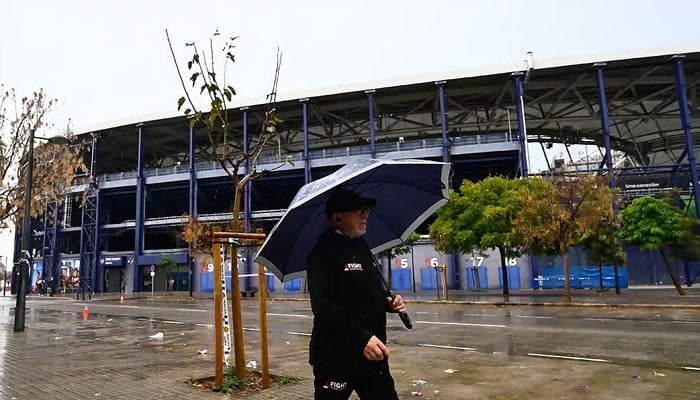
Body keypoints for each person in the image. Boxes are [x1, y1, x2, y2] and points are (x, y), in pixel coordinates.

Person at [306, 188, 405, 399]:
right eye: (358, 210)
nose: (365, 215)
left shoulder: (362, 247)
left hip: (372, 354)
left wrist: (387, 302)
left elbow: (364, 293)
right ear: (337, 218)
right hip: (336, 359)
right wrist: (361, 339)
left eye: (366, 210)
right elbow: (324, 307)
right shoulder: (321, 254)